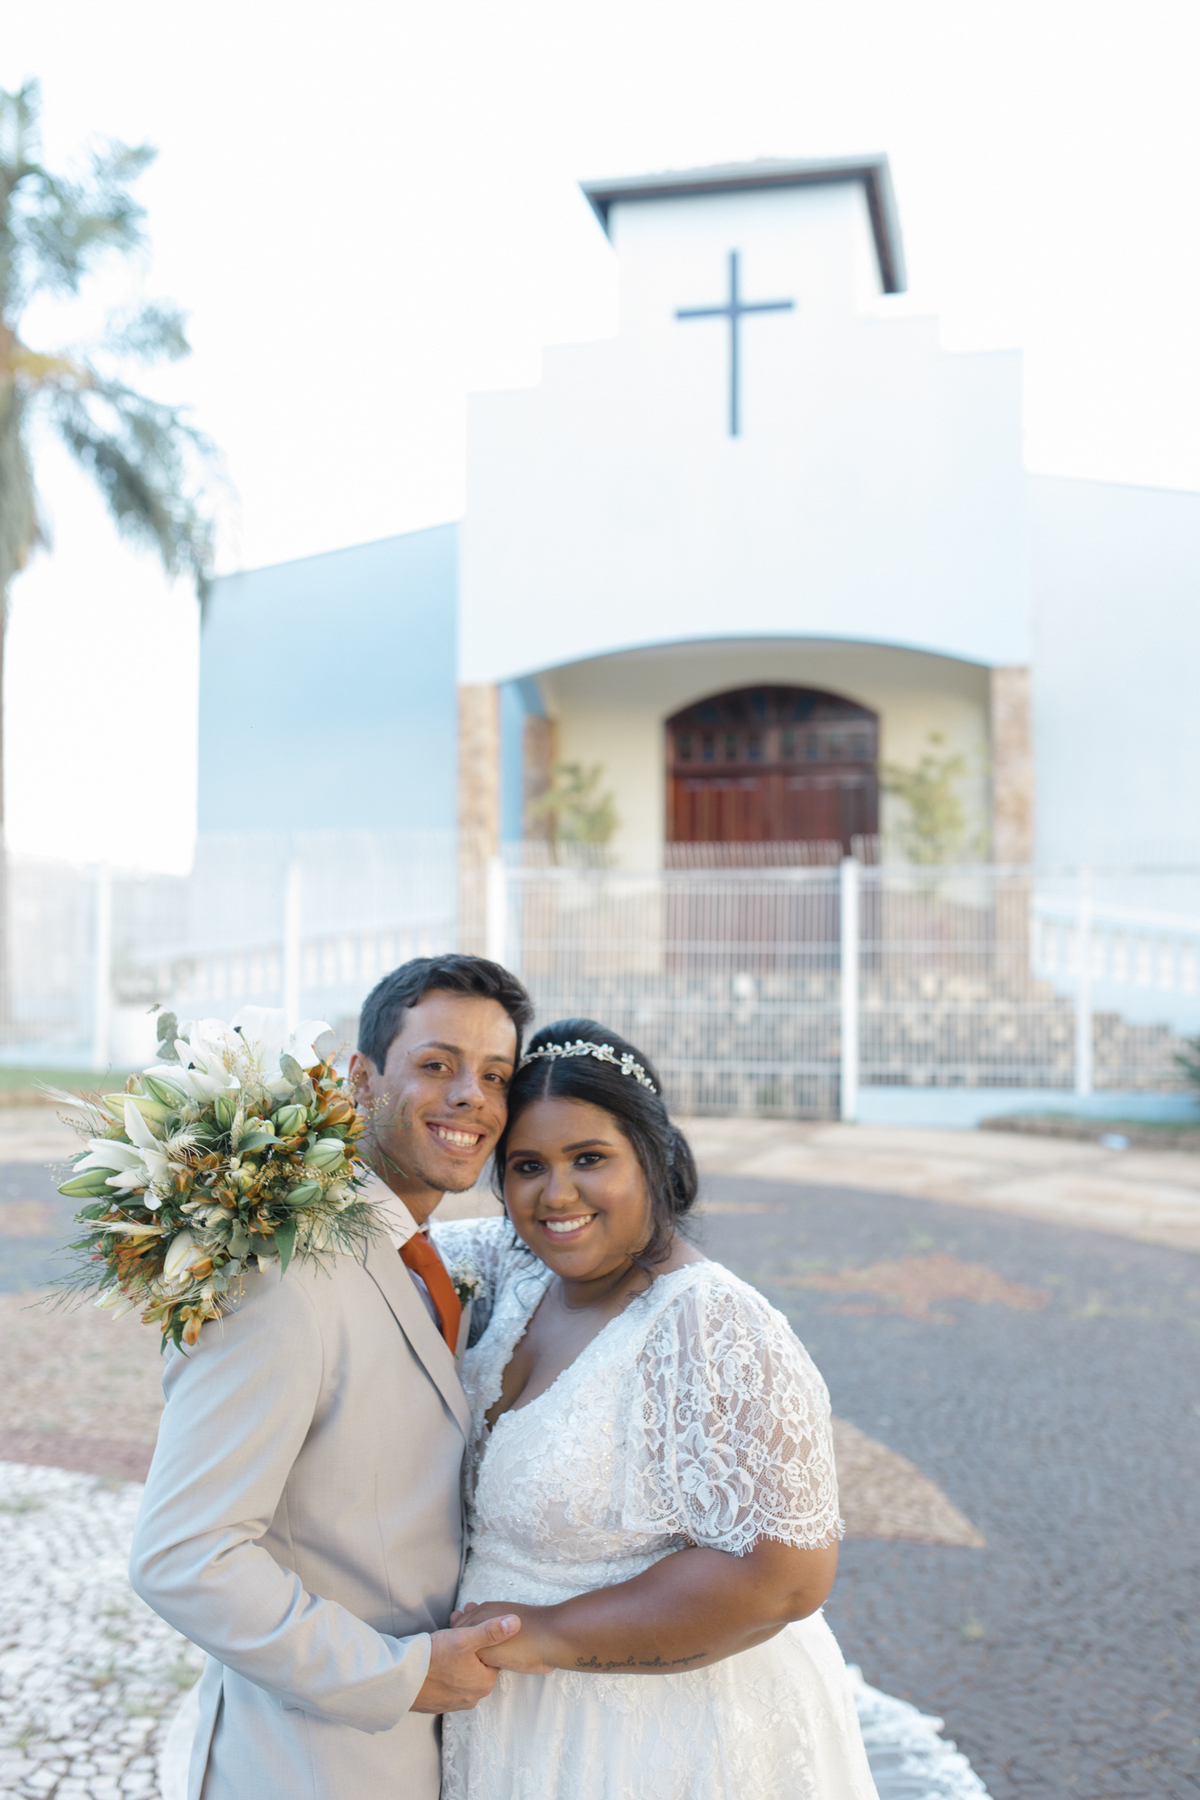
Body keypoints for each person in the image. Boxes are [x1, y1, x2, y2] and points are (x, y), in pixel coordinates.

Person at [432, 1018, 879, 1800]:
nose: (556, 1194)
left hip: (659, 1736)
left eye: (589, 1159)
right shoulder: (515, 1271)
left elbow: (783, 1579)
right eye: (527, 1166)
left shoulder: (713, 1324)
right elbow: (384, 1246)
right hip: (513, 1720)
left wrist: (545, 1635)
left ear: (655, 1156)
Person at [131, 954, 533, 1800]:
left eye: (495, 1075)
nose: (473, 1097)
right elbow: (184, 1555)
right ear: (359, 1077)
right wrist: (400, 1676)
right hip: (306, 1768)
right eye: (436, 1065)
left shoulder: (427, 1262)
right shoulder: (278, 1271)